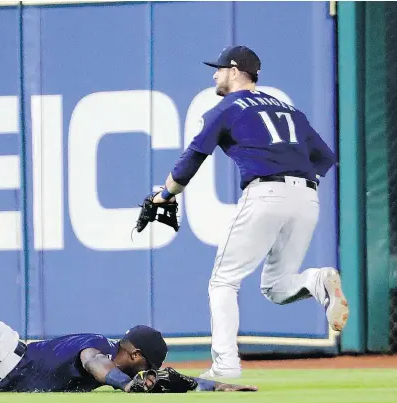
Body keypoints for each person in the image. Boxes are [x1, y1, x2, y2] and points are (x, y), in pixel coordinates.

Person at [0, 188, 257, 393]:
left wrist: (213, 385)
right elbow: (97, 365)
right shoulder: (99, 350)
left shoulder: (119, 350)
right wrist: (127, 385)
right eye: (140, 364)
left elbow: (169, 377)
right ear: (133, 355)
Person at [147, 46, 345, 379]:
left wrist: (164, 195)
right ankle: (317, 280)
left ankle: (225, 366)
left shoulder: (225, 108)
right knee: (277, 288)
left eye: (219, 68)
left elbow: (191, 160)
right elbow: (325, 157)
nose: (214, 74)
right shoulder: (289, 110)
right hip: (307, 196)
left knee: (223, 282)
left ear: (236, 70)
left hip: (265, 193)